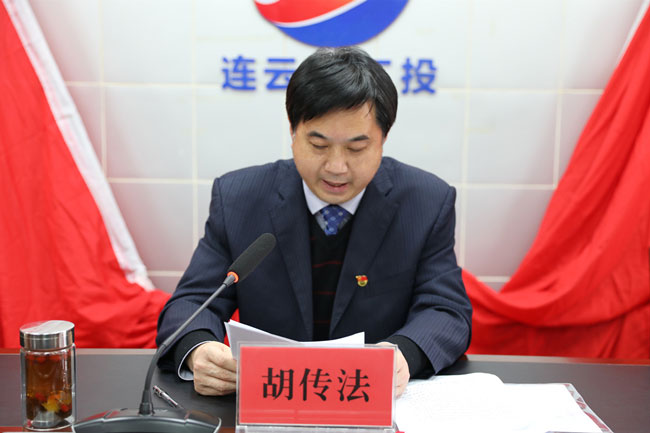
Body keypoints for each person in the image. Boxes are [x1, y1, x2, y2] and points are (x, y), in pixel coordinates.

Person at [156, 46, 472, 398]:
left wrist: (403, 354)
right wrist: (199, 348)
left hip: (370, 398)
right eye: (319, 145)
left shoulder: (425, 202)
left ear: (383, 139)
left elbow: (446, 310)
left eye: (356, 148)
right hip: (269, 399)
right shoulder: (239, 199)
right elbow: (191, 304)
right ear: (293, 132)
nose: (336, 167)